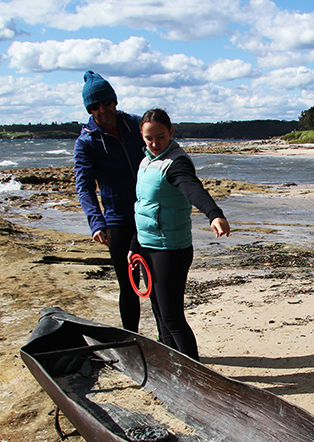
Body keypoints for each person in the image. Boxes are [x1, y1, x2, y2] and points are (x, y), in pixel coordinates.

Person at [129, 108, 231, 361]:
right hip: (147, 247)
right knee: (158, 311)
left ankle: (195, 373)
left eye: (160, 137)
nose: (154, 143)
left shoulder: (176, 163)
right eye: (149, 138)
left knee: (172, 317)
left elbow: (192, 188)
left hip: (171, 250)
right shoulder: (146, 162)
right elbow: (142, 207)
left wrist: (214, 214)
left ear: (171, 132)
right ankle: (172, 362)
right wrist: (134, 244)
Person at [74, 71, 145, 332]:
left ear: (114, 100)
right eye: (94, 106)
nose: (102, 109)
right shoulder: (86, 142)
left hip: (150, 214)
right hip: (118, 221)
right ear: (89, 110)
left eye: (106, 102)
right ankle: (132, 340)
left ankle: (168, 342)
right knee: (128, 286)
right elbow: (84, 187)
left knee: (159, 282)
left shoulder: (136, 126)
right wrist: (96, 222)